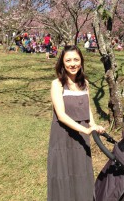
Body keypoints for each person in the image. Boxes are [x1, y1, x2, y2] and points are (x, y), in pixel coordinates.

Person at [47, 45, 105, 201]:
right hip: (62, 136)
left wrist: (92, 126)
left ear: (81, 61)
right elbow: (61, 115)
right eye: (68, 60)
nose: (72, 64)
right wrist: (85, 130)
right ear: (62, 63)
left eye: (76, 59)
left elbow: (87, 109)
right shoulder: (57, 84)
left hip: (81, 137)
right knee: (63, 174)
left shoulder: (84, 83)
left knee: (81, 172)